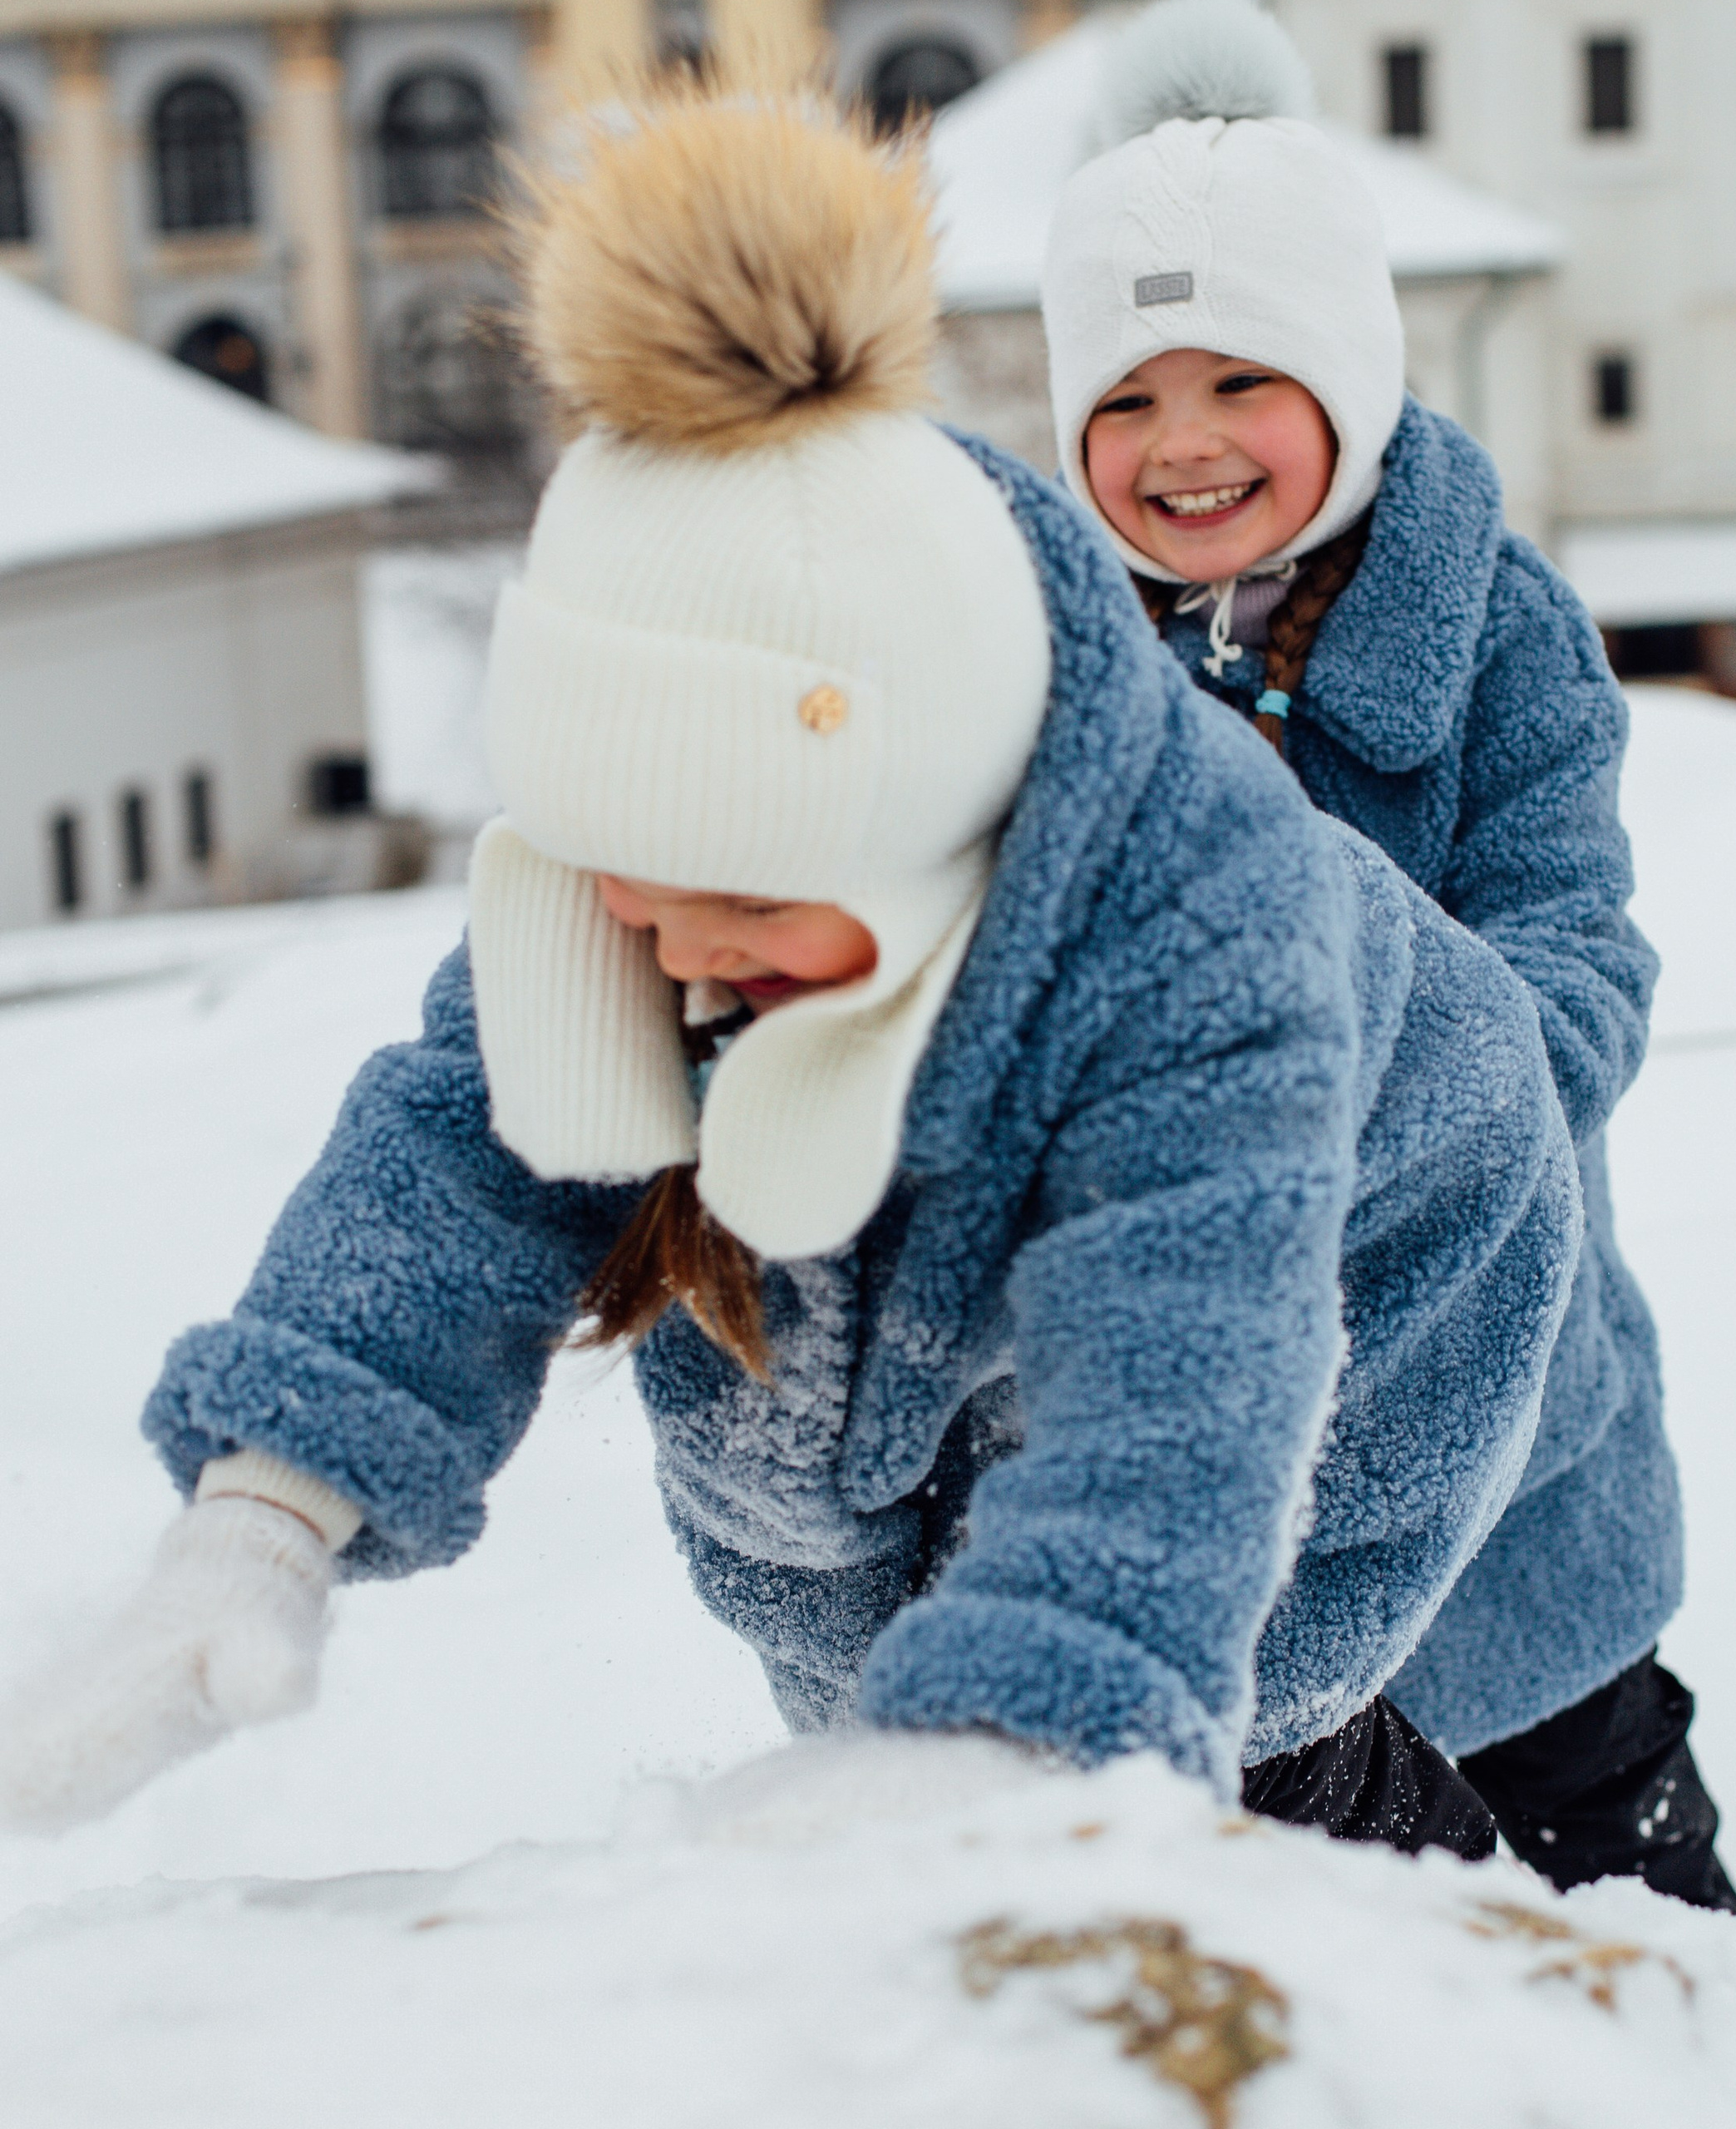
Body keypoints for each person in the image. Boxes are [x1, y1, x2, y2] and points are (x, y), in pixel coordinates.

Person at [0, 84, 1579, 1865]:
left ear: (916, 839)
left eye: (746, 900)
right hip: (896, 1391)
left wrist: (1016, 1728)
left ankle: (1471, 1947)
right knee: (878, 1692)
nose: (681, 953)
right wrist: (265, 1516)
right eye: (635, 886)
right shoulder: (667, 830)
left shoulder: (1200, 930)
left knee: (1227, 1760)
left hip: (1382, 1279)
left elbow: (1180, 1376)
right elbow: (459, 1154)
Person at [1040, 0, 1736, 1914]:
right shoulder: (1048, 653)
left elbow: (1572, 956)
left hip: (1492, 1374)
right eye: (1124, 397)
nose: (1182, 443)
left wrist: (1405, 1107)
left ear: (1346, 374)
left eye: (1236, 379)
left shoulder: (1494, 630)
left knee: (1601, 1841)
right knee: (1296, 1905)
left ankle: (1691, 2012)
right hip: (1197, 1393)